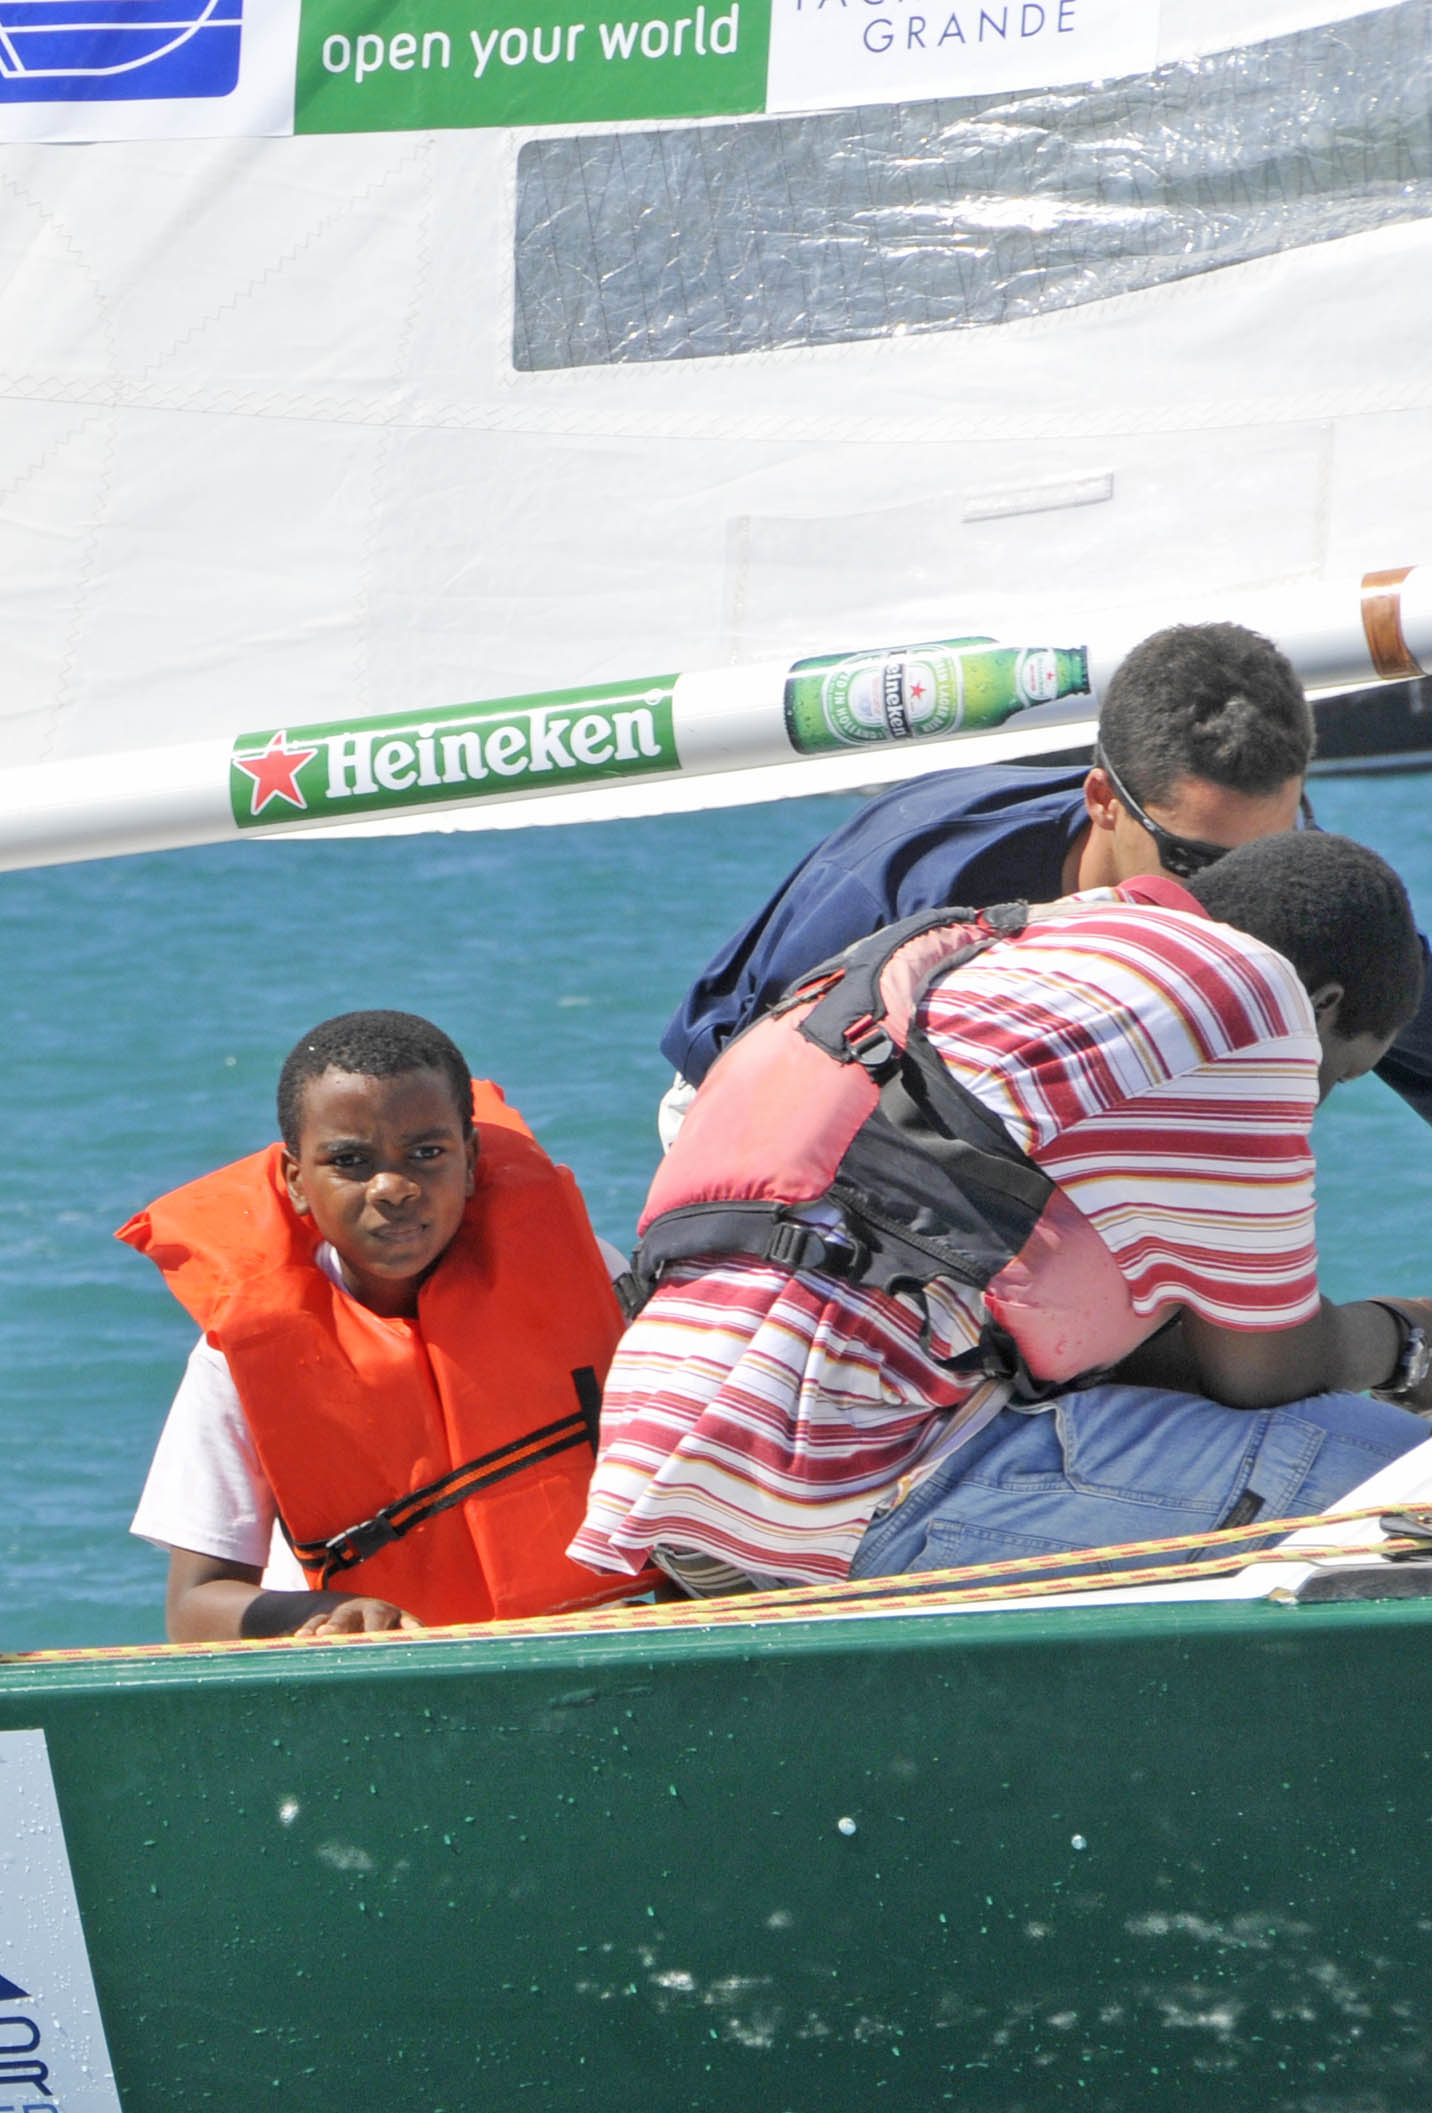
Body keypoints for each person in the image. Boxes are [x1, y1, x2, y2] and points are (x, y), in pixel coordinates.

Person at [578, 830, 1432, 1596]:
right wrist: (1407, 1342)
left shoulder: (995, 943)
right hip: (837, 1483)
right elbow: (1265, 1372)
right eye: (1333, 1076)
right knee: (1404, 1491)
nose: (1306, 1103)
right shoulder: (1250, 997)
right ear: (1319, 1007)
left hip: (670, 1469)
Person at [657, 622, 1432, 1146]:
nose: (1236, 906)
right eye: (1197, 866)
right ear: (1102, 801)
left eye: (1279, 841)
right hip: (785, 1105)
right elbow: (729, 1080)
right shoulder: (914, 881)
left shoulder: (1282, 886)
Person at [121, 1012, 657, 1641]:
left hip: (601, 1642)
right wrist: (320, 1613)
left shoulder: (594, 1276)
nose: (393, 1188)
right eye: (350, 1160)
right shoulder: (236, 1353)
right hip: (391, 1676)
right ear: (296, 1182)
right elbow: (193, 1609)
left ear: (472, 1158)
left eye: (427, 1153)